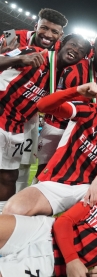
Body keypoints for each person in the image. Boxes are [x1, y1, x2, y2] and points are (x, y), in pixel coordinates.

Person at [3, 80, 97, 216]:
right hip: (57, 182)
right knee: (13, 210)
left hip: (90, 188)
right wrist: (77, 90)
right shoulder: (89, 111)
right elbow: (43, 105)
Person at [0, 34, 90, 213]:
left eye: (81, 51)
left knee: (9, 177)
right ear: (62, 44)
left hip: (17, 127)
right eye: (73, 45)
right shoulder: (35, 53)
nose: (75, 50)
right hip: (1, 116)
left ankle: (4, 219)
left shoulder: (61, 76)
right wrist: (19, 58)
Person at [37, 33, 97, 175]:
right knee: (45, 171)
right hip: (59, 127)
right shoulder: (74, 70)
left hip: (87, 133)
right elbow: (57, 104)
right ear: (94, 50)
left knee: (78, 175)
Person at [0, 8, 67, 53]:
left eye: (54, 32)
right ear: (36, 27)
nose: (48, 35)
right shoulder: (11, 36)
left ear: (60, 35)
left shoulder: (61, 50)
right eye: (44, 28)